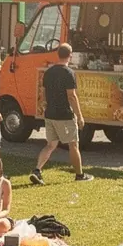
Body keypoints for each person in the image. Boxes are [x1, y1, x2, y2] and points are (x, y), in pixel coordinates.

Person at [30, 44, 92, 185]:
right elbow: (72, 96)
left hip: (50, 113)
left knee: (51, 145)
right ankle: (79, 175)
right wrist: (80, 116)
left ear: (58, 54)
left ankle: (37, 170)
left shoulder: (49, 72)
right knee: (73, 145)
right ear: (70, 55)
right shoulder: (69, 73)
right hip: (64, 115)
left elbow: (44, 94)